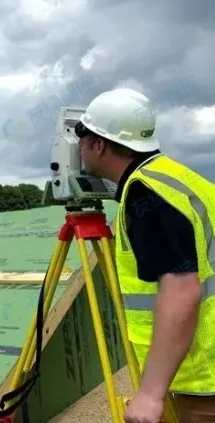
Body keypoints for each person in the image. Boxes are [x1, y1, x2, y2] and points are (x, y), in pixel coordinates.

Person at [76, 87, 215, 422]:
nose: (77, 144)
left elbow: (181, 290)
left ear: (99, 144)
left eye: (81, 134)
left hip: (202, 376)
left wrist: (151, 394)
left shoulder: (146, 195)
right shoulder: (179, 178)